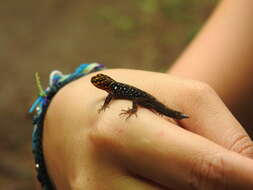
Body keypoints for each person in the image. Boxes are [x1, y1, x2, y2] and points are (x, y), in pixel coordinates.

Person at [33, 0, 253, 189]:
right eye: (97, 82)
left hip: (142, 98)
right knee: (166, 112)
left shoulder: (113, 90)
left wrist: (130, 109)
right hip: (141, 100)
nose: (98, 85)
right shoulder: (112, 90)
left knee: (157, 108)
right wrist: (63, 113)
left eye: (98, 82)